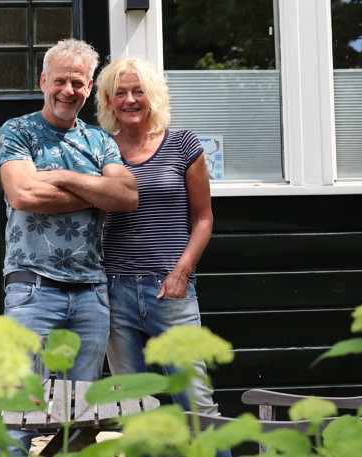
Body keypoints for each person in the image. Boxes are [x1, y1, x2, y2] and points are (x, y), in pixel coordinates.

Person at [0, 39, 138, 455]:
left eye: (77, 82)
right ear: (43, 81)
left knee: (79, 418)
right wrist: (97, 191)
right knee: (17, 412)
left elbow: (127, 196)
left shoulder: (100, 141)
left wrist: (60, 176)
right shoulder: (17, 131)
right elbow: (23, 195)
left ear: (89, 87)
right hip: (32, 288)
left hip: (92, 291)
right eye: (60, 80)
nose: (68, 90)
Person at [95, 57, 232, 457]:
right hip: (113, 291)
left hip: (170, 292)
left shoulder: (183, 144)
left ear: (153, 95)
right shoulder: (99, 147)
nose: (130, 99)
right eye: (119, 92)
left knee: (197, 407)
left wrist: (181, 273)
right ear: (107, 99)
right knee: (134, 410)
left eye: (138, 90)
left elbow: (204, 218)